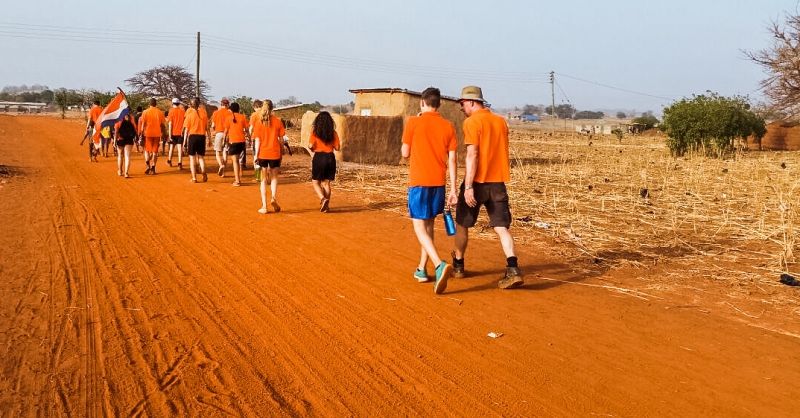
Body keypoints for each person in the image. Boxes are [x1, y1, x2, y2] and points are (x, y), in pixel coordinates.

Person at [453, 86, 523, 289]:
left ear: (472, 102)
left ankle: (458, 264)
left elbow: (472, 155)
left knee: (463, 224)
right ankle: (513, 267)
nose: (462, 108)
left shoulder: (472, 122)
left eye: (463, 104)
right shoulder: (500, 121)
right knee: (501, 227)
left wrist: (468, 187)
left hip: (476, 182)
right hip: (498, 182)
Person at [400, 87, 457, 294]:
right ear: (439, 104)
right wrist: (453, 190)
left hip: (419, 182)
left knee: (418, 226)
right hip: (439, 183)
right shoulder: (448, 126)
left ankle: (438, 264)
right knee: (429, 226)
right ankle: (421, 269)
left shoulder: (413, 122)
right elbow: (452, 159)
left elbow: (405, 153)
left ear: (422, 102)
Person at [252, 99, 287, 214]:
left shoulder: (258, 122)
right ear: (272, 108)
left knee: (262, 180)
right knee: (274, 177)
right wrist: (281, 151)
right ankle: (273, 197)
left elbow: (257, 142)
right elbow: (281, 140)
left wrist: (256, 156)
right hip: (275, 153)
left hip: (262, 153)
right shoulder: (278, 121)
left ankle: (264, 206)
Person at [308, 111, 341, 212]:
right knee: (326, 183)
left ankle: (323, 198)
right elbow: (338, 148)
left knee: (315, 182)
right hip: (330, 158)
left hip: (319, 157)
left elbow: (310, 146)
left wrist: (313, 148)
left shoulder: (315, 132)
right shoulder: (333, 133)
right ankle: (327, 207)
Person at [183, 97, 209, 183]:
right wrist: (209, 139)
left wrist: (184, 143)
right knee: (201, 157)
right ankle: (204, 172)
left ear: (191, 105)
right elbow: (207, 128)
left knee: (192, 158)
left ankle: (194, 178)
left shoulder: (189, 115)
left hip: (192, 137)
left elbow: (186, 130)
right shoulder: (204, 114)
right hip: (202, 137)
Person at [223, 102, 249, 186]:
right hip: (242, 142)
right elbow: (247, 130)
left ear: (231, 110)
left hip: (233, 142)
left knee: (235, 161)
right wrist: (249, 139)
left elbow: (226, 131)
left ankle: (237, 180)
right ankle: (240, 174)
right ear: (239, 109)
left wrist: (224, 141)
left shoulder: (228, 118)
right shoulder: (243, 117)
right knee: (240, 159)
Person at [139, 98, 166, 175]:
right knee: (155, 152)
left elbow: (143, 124)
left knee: (147, 150)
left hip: (148, 133)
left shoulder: (145, 112)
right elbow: (162, 125)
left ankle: (148, 165)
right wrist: (164, 133)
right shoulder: (160, 112)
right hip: (157, 134)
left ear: (149, 104)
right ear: (156, 104)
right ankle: (153, 167)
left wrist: (141, 133)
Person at [211, 98, 232, 177]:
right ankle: (223, 172)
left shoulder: (216, 113)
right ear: (227, 105)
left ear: (221, 104)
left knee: (217, 151)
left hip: (219, 133)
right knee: (225, 151)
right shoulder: (230, 113)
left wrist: (214, 131)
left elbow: (213, 126)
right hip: (227, 134)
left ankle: (221, 165)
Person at [114, 113, 137, 178]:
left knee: (120, 156)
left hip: (120, 140)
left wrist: (115, 141)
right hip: (129, 140)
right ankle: (126, 173)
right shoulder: (132, 122)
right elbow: (135, 131)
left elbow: (116, 132)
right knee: (127, 156)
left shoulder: (118, 121)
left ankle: (120, 171)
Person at [166, 98, 186, 169]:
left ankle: (169, 161)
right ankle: (180, 163)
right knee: (179, 149)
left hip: (173, 133)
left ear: (172, 103)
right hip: (180, 133)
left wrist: (169, 134)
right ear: (179, 103)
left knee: (171, 148)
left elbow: (170, 124)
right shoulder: (183, 111)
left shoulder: (171, 111)